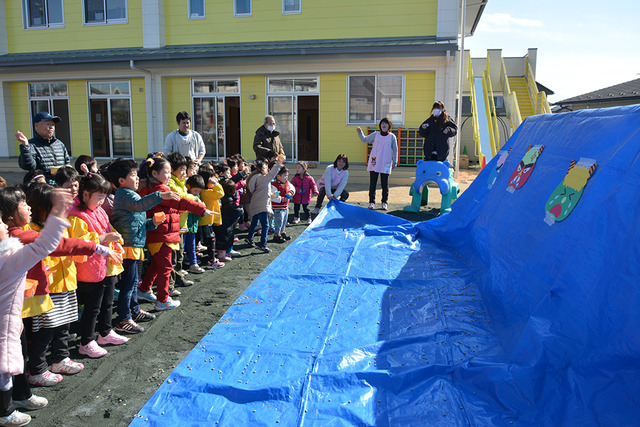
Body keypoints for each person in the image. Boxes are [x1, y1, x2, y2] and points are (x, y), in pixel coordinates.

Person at [0, 187, 72, 427]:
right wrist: (60, 211)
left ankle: (20, 397)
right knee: (5, 367)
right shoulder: (10, 256)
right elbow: (45, 245)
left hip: (11, 320)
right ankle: (6, 411)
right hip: (5, 323)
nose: (5, 229)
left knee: (14, 359)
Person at [108, 159, 178, 334]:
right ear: (121, 181)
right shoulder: (125, 194)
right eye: (133, 175)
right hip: (129, 245)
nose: (137, 178)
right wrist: (159, 196)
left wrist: (152, 222)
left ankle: (134, 310)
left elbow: (138, 220)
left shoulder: (131, 194)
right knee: (129, 283)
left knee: (132, 282)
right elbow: (140, 206)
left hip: (135, 243)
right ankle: (124, 318)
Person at [137, 157, 214, 310]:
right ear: (154, 173)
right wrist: (201, 209)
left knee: (157, 264)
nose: (168, 174)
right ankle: (163, 299)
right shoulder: (160, 190)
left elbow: (177, 204)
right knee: (165, 267)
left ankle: (144, 289)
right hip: (162, 234)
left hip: (163, 233)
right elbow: (180, 201)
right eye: (166, 172)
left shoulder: (157, 188)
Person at [68, 173, 128, 358]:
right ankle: (86, 341)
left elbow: (108, 228)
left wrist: (116, 239)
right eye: (99, 197)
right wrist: (105, 238)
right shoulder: (76, 215)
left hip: (105, 264)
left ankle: (105, 332)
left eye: (104, 197)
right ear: (85, 195)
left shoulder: (98, 210)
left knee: (107, 302)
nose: (102, 202)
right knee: (92, 307)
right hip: (88, 268)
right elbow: (80, 241)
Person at [244, 155, 286, 253]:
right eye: (266, 167)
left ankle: (249, 237)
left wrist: (273, 195)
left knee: (254, 222)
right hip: (262, 205)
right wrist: (279, 163)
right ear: (262, 168)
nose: (268, 168)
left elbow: (262, 190)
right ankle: (263, 244)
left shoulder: (255, 177)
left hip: (256, 203)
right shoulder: (262, 178)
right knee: (265, 225)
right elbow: (272, 173)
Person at [356, 118, 398, 210]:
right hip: (374, 162)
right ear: (380, 125)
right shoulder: (376, 134)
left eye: (386, 124)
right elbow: (365, 139)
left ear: (389, 126)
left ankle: (384, 202)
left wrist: (394, 162)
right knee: (373, 184)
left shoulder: (392, 137)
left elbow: (395, 150)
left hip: (386, 162)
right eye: (382, 123)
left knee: (384, 184)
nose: (384, 125)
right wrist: (360, 132)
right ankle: (371, 202)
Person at [16, 112, 71, 176]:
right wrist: (25, 146)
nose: (51, 127)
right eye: (48, 124)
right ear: (36, 125)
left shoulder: (59, 144)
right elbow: (28, 166)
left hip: (60, 184)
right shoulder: (31, 145)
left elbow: (67, 164)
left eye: (53, 125)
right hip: (42, 184)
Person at [197, 170, 225, 270]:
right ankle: (211, 260)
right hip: (206, 220)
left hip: (206, 220)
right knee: (210, 240)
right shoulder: (206, 192)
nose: (214, 180)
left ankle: (200, 258)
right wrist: (216, 183)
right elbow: (220, 193)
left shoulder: (206, 192)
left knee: (202, 239)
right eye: (211, 179)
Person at [270, 166, 295, 243]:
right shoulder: (275, 186)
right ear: (278, 176)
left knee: (284, 221)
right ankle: (277, 235)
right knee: (279, 221)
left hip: (285, 207)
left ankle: (282, 232)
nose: (286, 177)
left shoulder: (287, 183)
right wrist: (282, 199)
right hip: (278, 207)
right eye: (284, 176)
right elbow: (274, 196)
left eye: (287, 175)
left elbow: (292, 188)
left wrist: (291, 192)